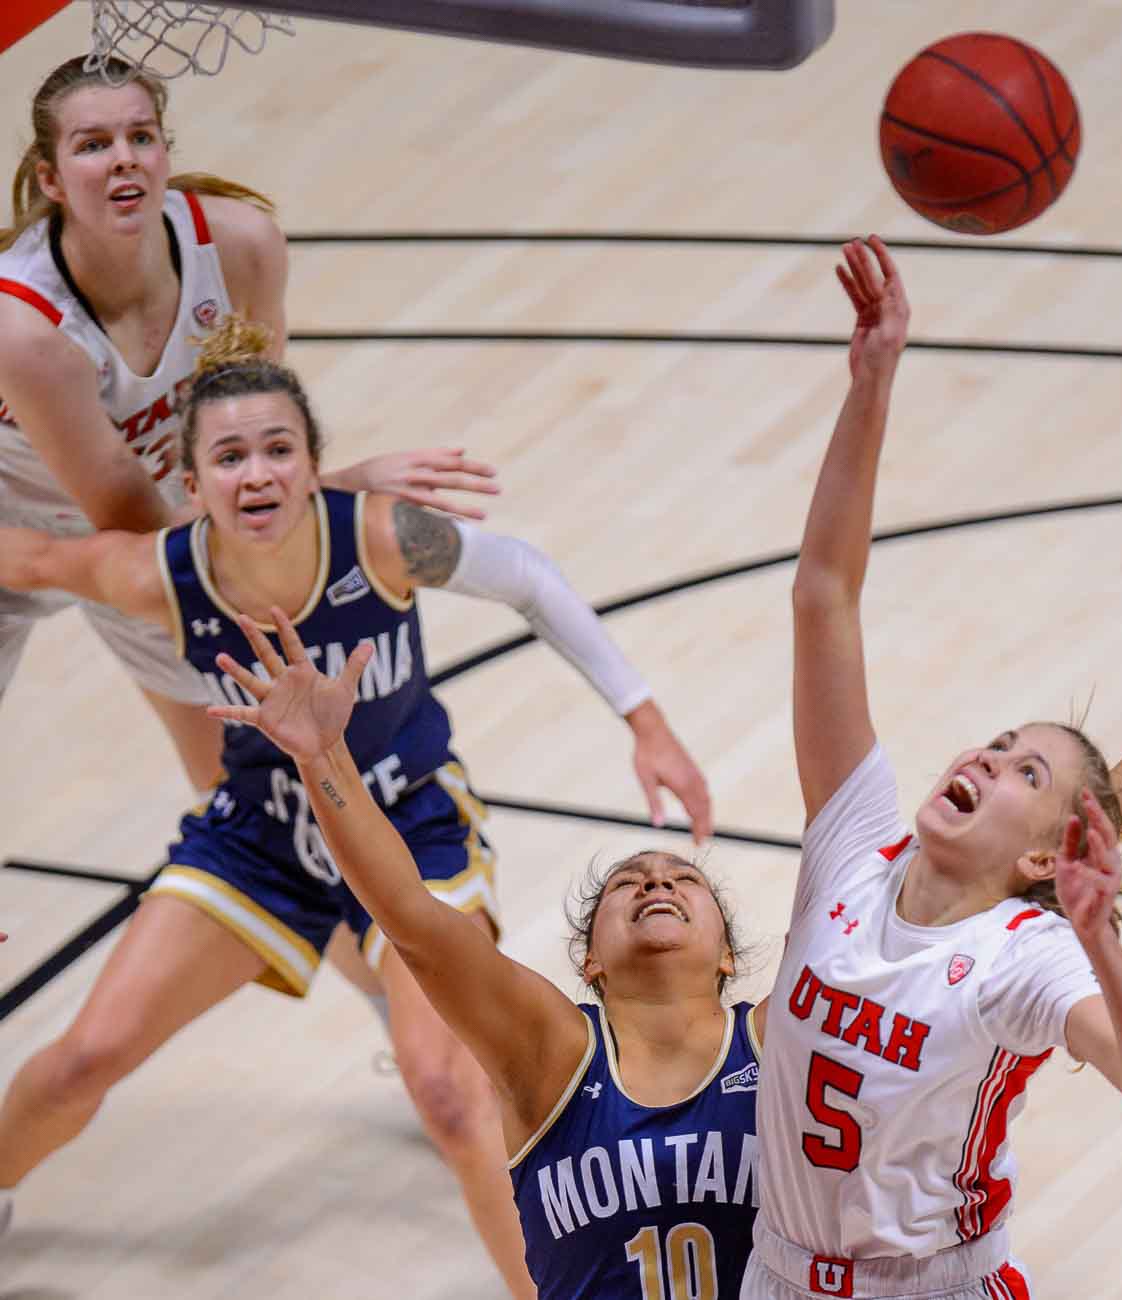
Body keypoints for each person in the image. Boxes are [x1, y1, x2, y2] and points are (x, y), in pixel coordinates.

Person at [0, 319, 712, 1295]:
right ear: (192, 482)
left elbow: (530, 578)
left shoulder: (378, 536)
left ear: (313, 466)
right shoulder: (161, 572)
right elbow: (35, 563)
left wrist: (647, 720)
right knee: (82, 1059)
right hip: (260, 839)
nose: (256, 475)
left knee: (454, 1096)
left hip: (407, 827)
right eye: (230, 456)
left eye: (279, 450)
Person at [741, 237, 1122, 1300]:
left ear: (1035, 856)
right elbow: (823, 593)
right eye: (1000, 742)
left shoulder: (1025, 957)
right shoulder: (852, 849)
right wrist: (873, 383)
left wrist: (1102, 941)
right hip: (778, 1277)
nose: (987, 754)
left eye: (1022, 771)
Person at [195, 606, 762, 1298]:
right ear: (591, 964)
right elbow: (408, 915)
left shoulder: (779, 1041)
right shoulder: (549, 1047)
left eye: (682, 880)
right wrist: (322, 757)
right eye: (627, 883)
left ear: (729, 956)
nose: (655, 882)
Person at [0, 54, 500, 794]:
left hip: (166, 520)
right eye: (93, 145)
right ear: (50, 178)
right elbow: (136, 530)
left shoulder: (241, 247)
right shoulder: (25, 328)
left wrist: (310, 494)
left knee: (249, 793)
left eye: (141, 136)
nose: (123, 161)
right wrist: (348, 492)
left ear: (166, 149)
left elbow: (253, 434)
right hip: (32, 534)